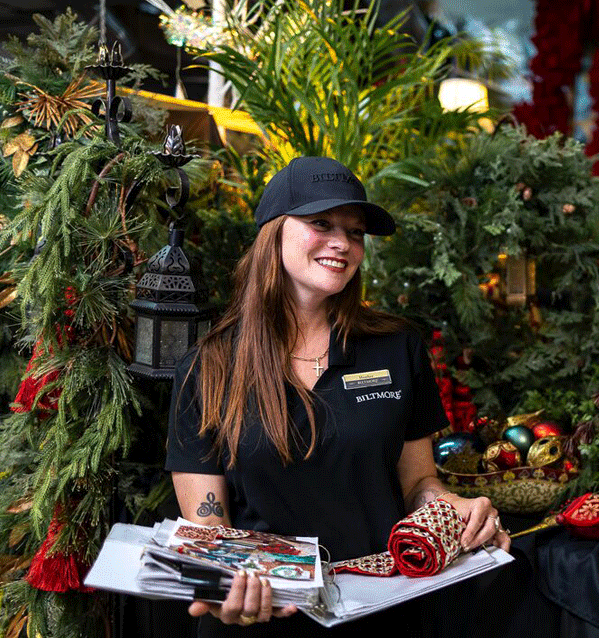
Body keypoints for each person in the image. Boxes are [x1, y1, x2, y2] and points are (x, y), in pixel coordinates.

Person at [166, 157, 510, 636]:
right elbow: (210, 529)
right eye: (321, 223)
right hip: (263, 620)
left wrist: (451, 508)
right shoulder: (209, 367)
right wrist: (222, 589)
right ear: (274, 232)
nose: (341, 244)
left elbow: (417, 485)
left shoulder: (397, 346)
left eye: (354, 232)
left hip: (384, 614)